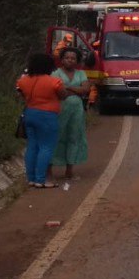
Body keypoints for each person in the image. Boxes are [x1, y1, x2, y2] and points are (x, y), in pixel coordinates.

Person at [16, 53, 69, 189]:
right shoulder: (54, 81)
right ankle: (41, 179)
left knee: (32, 146)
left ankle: (31, 179)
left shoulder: (23, 80)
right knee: (46, 147)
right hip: (47, 116)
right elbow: (63, 95)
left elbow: (21, 93)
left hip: (29, 114)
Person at [51, 47, 90, 180]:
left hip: (77, 111)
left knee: (74, 137)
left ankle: (69, 171)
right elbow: (57, 91)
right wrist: (76, 90)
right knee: (56, 136)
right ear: (61, 59)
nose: (70, 60)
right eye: (67, 58)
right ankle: (49, 170)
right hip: (59, 109)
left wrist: (68, 88)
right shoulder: (56, 73)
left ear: (77, 60)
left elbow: (85, 89)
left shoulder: (81, 73)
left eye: (73, 58)